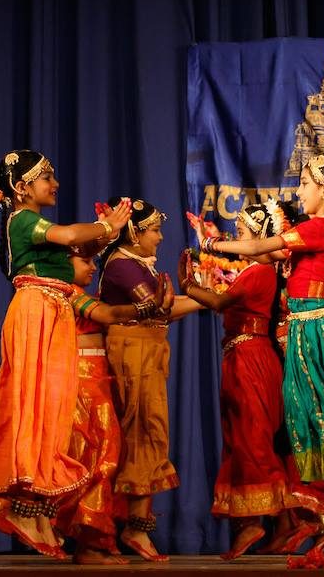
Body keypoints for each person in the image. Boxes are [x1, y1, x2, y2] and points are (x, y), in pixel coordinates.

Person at [195, 147, 324, 565]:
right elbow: (272, 253)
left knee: (323, 414)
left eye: (305, 183)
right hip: (306, 328)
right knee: (309, 417)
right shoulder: (318, 228)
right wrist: (229, 244)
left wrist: (214, 242)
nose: (299, 190)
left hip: (316, 328)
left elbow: (263, 246)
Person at [0, 149, 132, 558]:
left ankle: (38, 509)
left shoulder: (34, 226)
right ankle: (27, 506)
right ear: (22, 188)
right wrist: (102, 225)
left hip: (53, 311)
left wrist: (108, 232)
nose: (55, 184)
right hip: (36, 311)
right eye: (47, 177)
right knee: (37, 408)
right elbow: (67, 236)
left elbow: (80, 248)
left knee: (54, 414)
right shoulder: (24, 219)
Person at [178, 204, 297, 560]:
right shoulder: (255, 272)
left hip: (251, 359)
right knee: (242, 436)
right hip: (242, 355)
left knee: (250, 438)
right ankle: (282, 523)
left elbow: (219, 301)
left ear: (259, 238)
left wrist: (187, 285)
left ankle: (253, 523)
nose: (239, 239)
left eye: (244, 233)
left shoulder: (259, 271)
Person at [97, 197, 202, 561]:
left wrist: (212, 297)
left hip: (146, 350)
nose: (159, 238)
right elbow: (159, 307)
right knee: (141, 431)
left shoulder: (136, 263)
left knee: (149, 431)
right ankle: (129, 528)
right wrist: (215, 297)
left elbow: (164, 310)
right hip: (132, 352)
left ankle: (131, 524)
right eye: (154, 230)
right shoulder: (123, 267)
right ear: (133, 233)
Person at [54, 250, 175, 564]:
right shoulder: (69, 294)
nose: (92, 267)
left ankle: (95, 543)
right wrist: (149, 305)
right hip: (83, 382)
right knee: (99, 460)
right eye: (85, 262)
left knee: (104, 460)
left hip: (98, 379)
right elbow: (107, 316)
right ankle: (89, 546)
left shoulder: (80, 294)